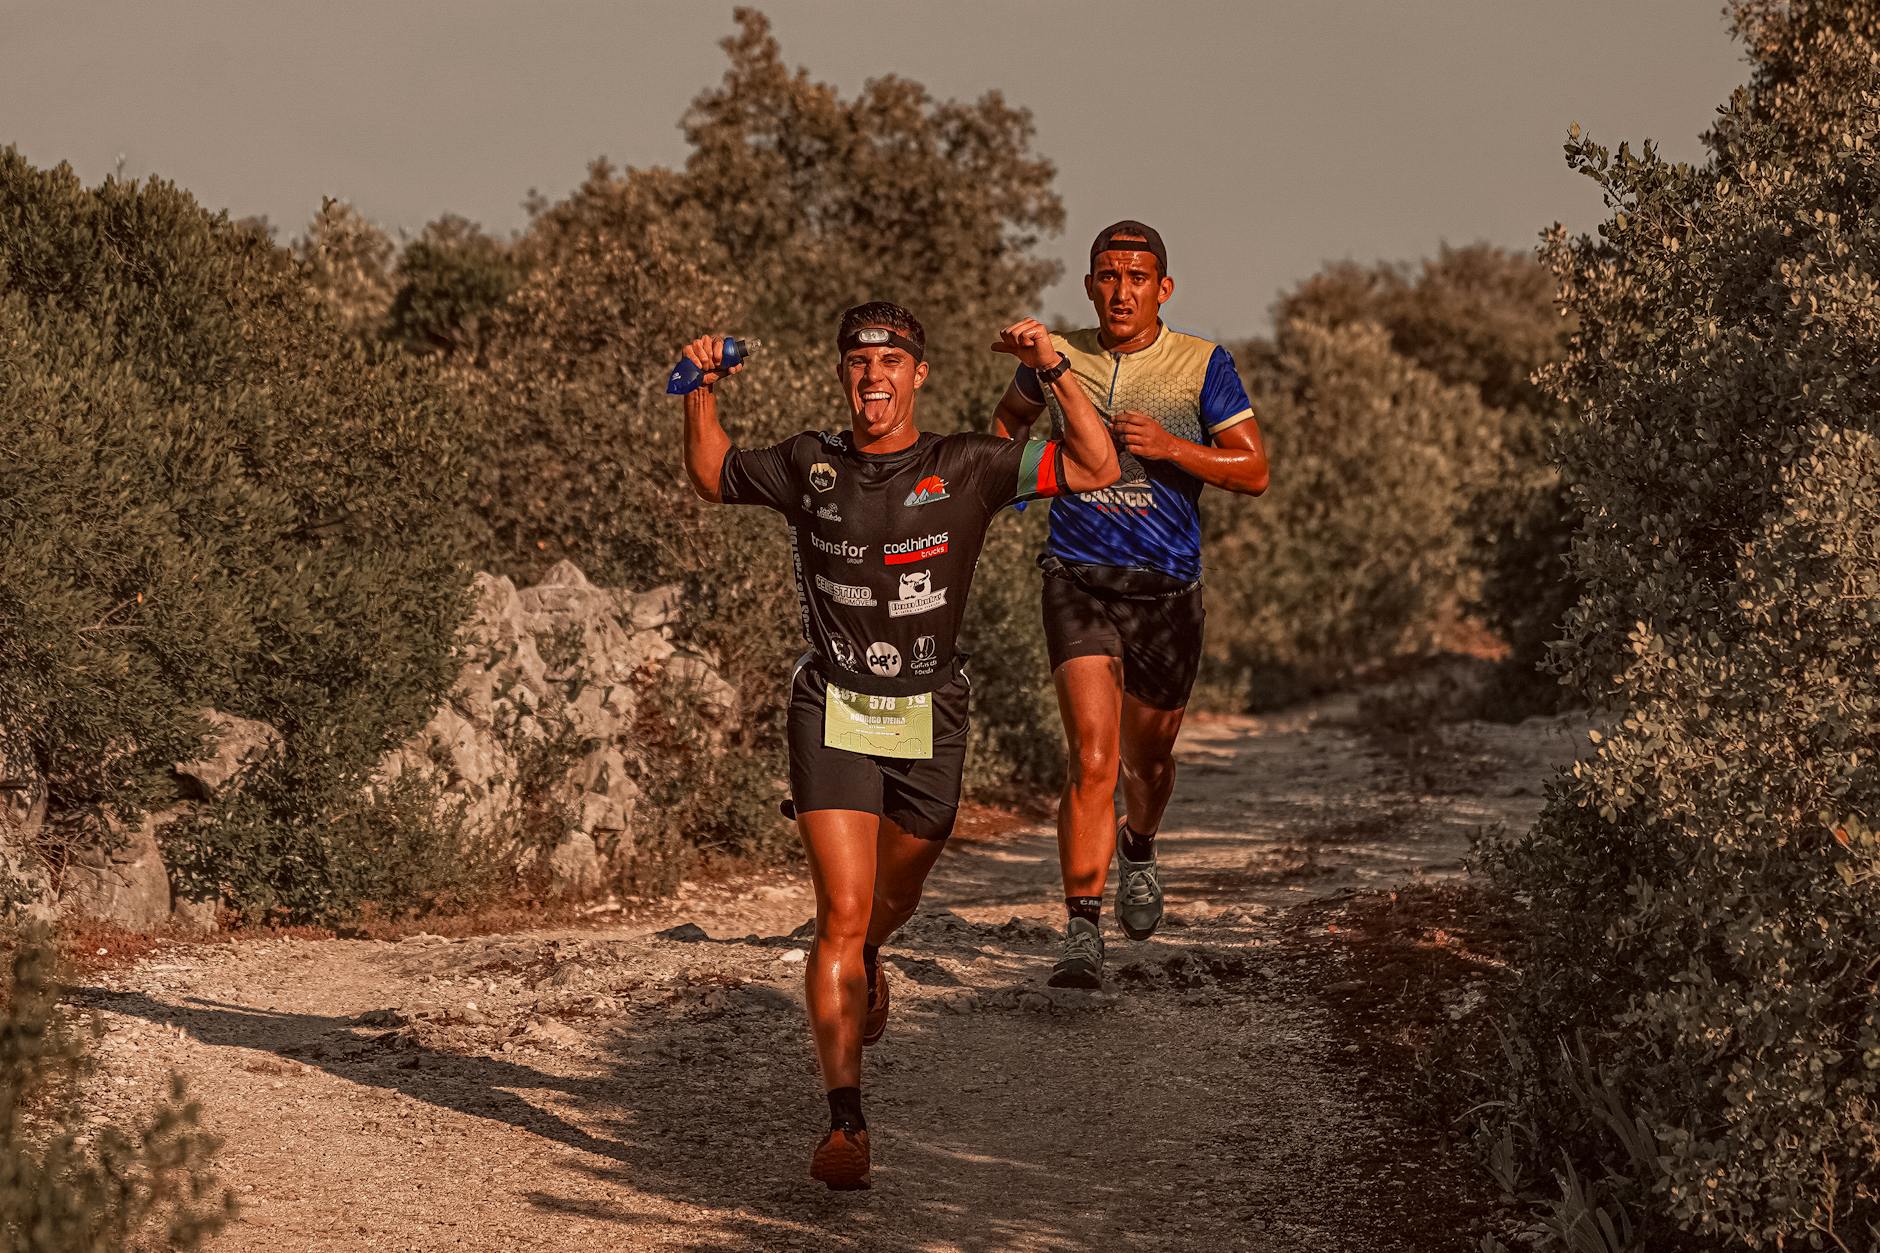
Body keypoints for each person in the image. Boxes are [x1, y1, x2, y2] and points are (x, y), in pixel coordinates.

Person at [677, 302, 1118, 1190]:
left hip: (929, 712)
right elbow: (713, 471)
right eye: (858, 362)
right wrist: (698, 386)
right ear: (843, 375)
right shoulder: (810, 463)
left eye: (889, 362)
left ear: (918, 374)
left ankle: (874, 951)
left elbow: (1097, 465)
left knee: (894, 895)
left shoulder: (968, 465)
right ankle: (845, 1122)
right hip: (831, 704)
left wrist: (1054, 366)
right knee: (839, 911)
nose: (872, 376)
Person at [991, 221, 1269, 988]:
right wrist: (1023, 481)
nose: (1121, 291)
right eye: (1108, 276)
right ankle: (1081, 929)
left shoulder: (1203, 364)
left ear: (1163, 288)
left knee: (1147, 764)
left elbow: (1253, 470)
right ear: (1089, 286)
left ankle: (1138, 845)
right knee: (1092, 757)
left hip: (1167, 589)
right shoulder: (1058, 356)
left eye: (1137, 277)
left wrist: (1172, 447)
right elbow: (1009, 422)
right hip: (1078, 576)